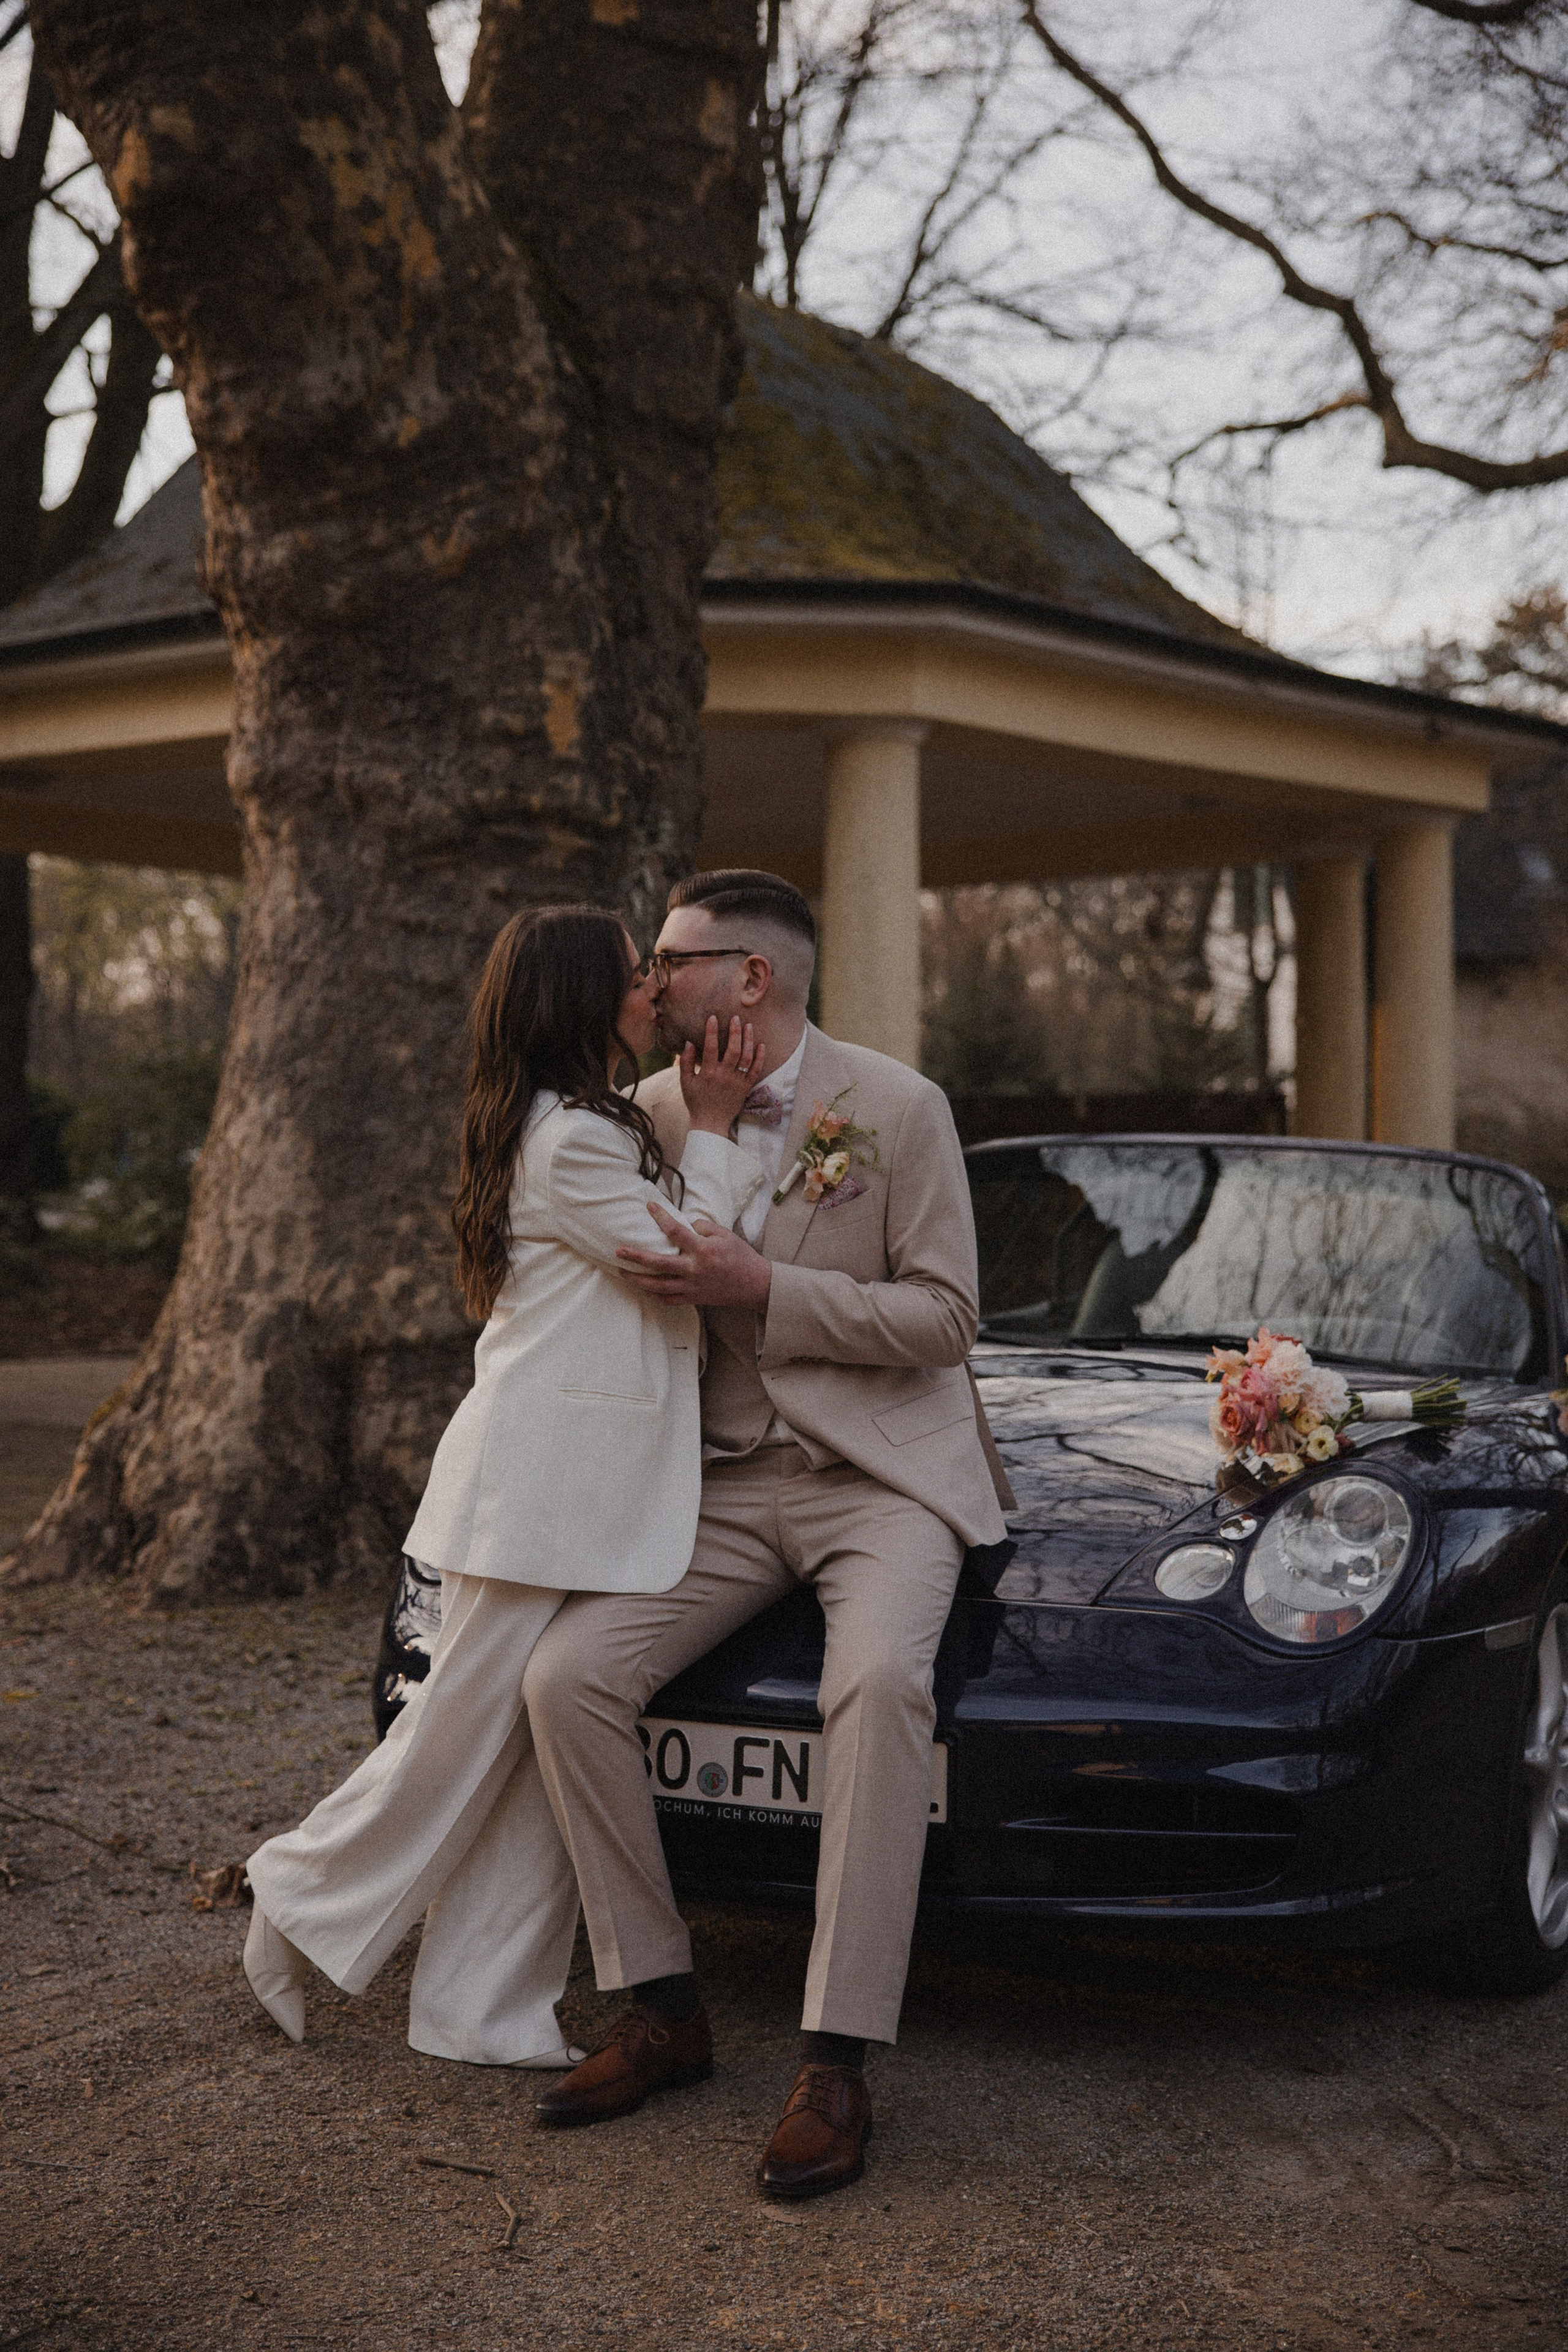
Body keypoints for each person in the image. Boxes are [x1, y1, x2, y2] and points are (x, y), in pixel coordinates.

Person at [522, 869, 1013, 2196]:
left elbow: (947, 1320)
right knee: (564, 1679)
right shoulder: (640, 1114)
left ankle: (835, 2057)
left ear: (752, 975)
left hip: (881, 1477)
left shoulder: (899, 1106)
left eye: (672, 957)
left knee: (880, 1684)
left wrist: (767, 1286)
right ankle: (663, 2006)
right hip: (720, 1483)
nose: (650, 978)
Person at [243, 904, 765, 2067]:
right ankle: (292, 1891)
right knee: (456, 1734)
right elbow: (687, 1263)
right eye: (635, 974)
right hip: (535, 1490)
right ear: (583, 1001)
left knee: (529, 1750)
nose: (654, 988)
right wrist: (719, 1128)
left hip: (586, 1496)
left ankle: (479, 2008)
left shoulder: (586, 1121)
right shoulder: (568, 1140)